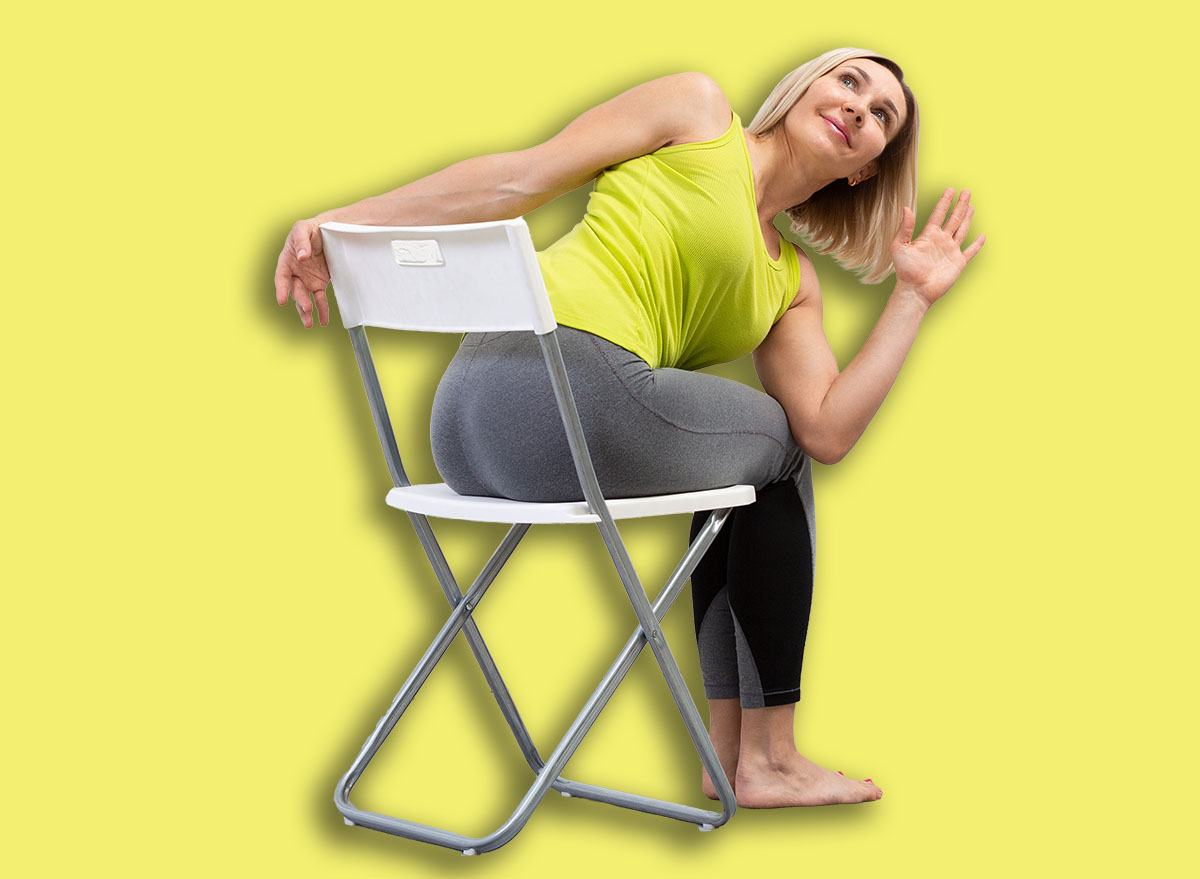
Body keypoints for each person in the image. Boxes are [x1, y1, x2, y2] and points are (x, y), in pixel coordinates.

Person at [275, 47, 984, 809]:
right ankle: (763, 757)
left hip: (464, 434)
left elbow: (830, 428)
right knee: (770, 448)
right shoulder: (699, 112)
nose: (859, 107)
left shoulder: (791, 282)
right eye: (849, 81)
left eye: (883, 116)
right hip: (562, 391)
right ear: (804, 87)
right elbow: (519, 178)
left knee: (758, 461)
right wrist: (338, 225)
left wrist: (912, 297)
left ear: (867, 170)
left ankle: (733, 757)